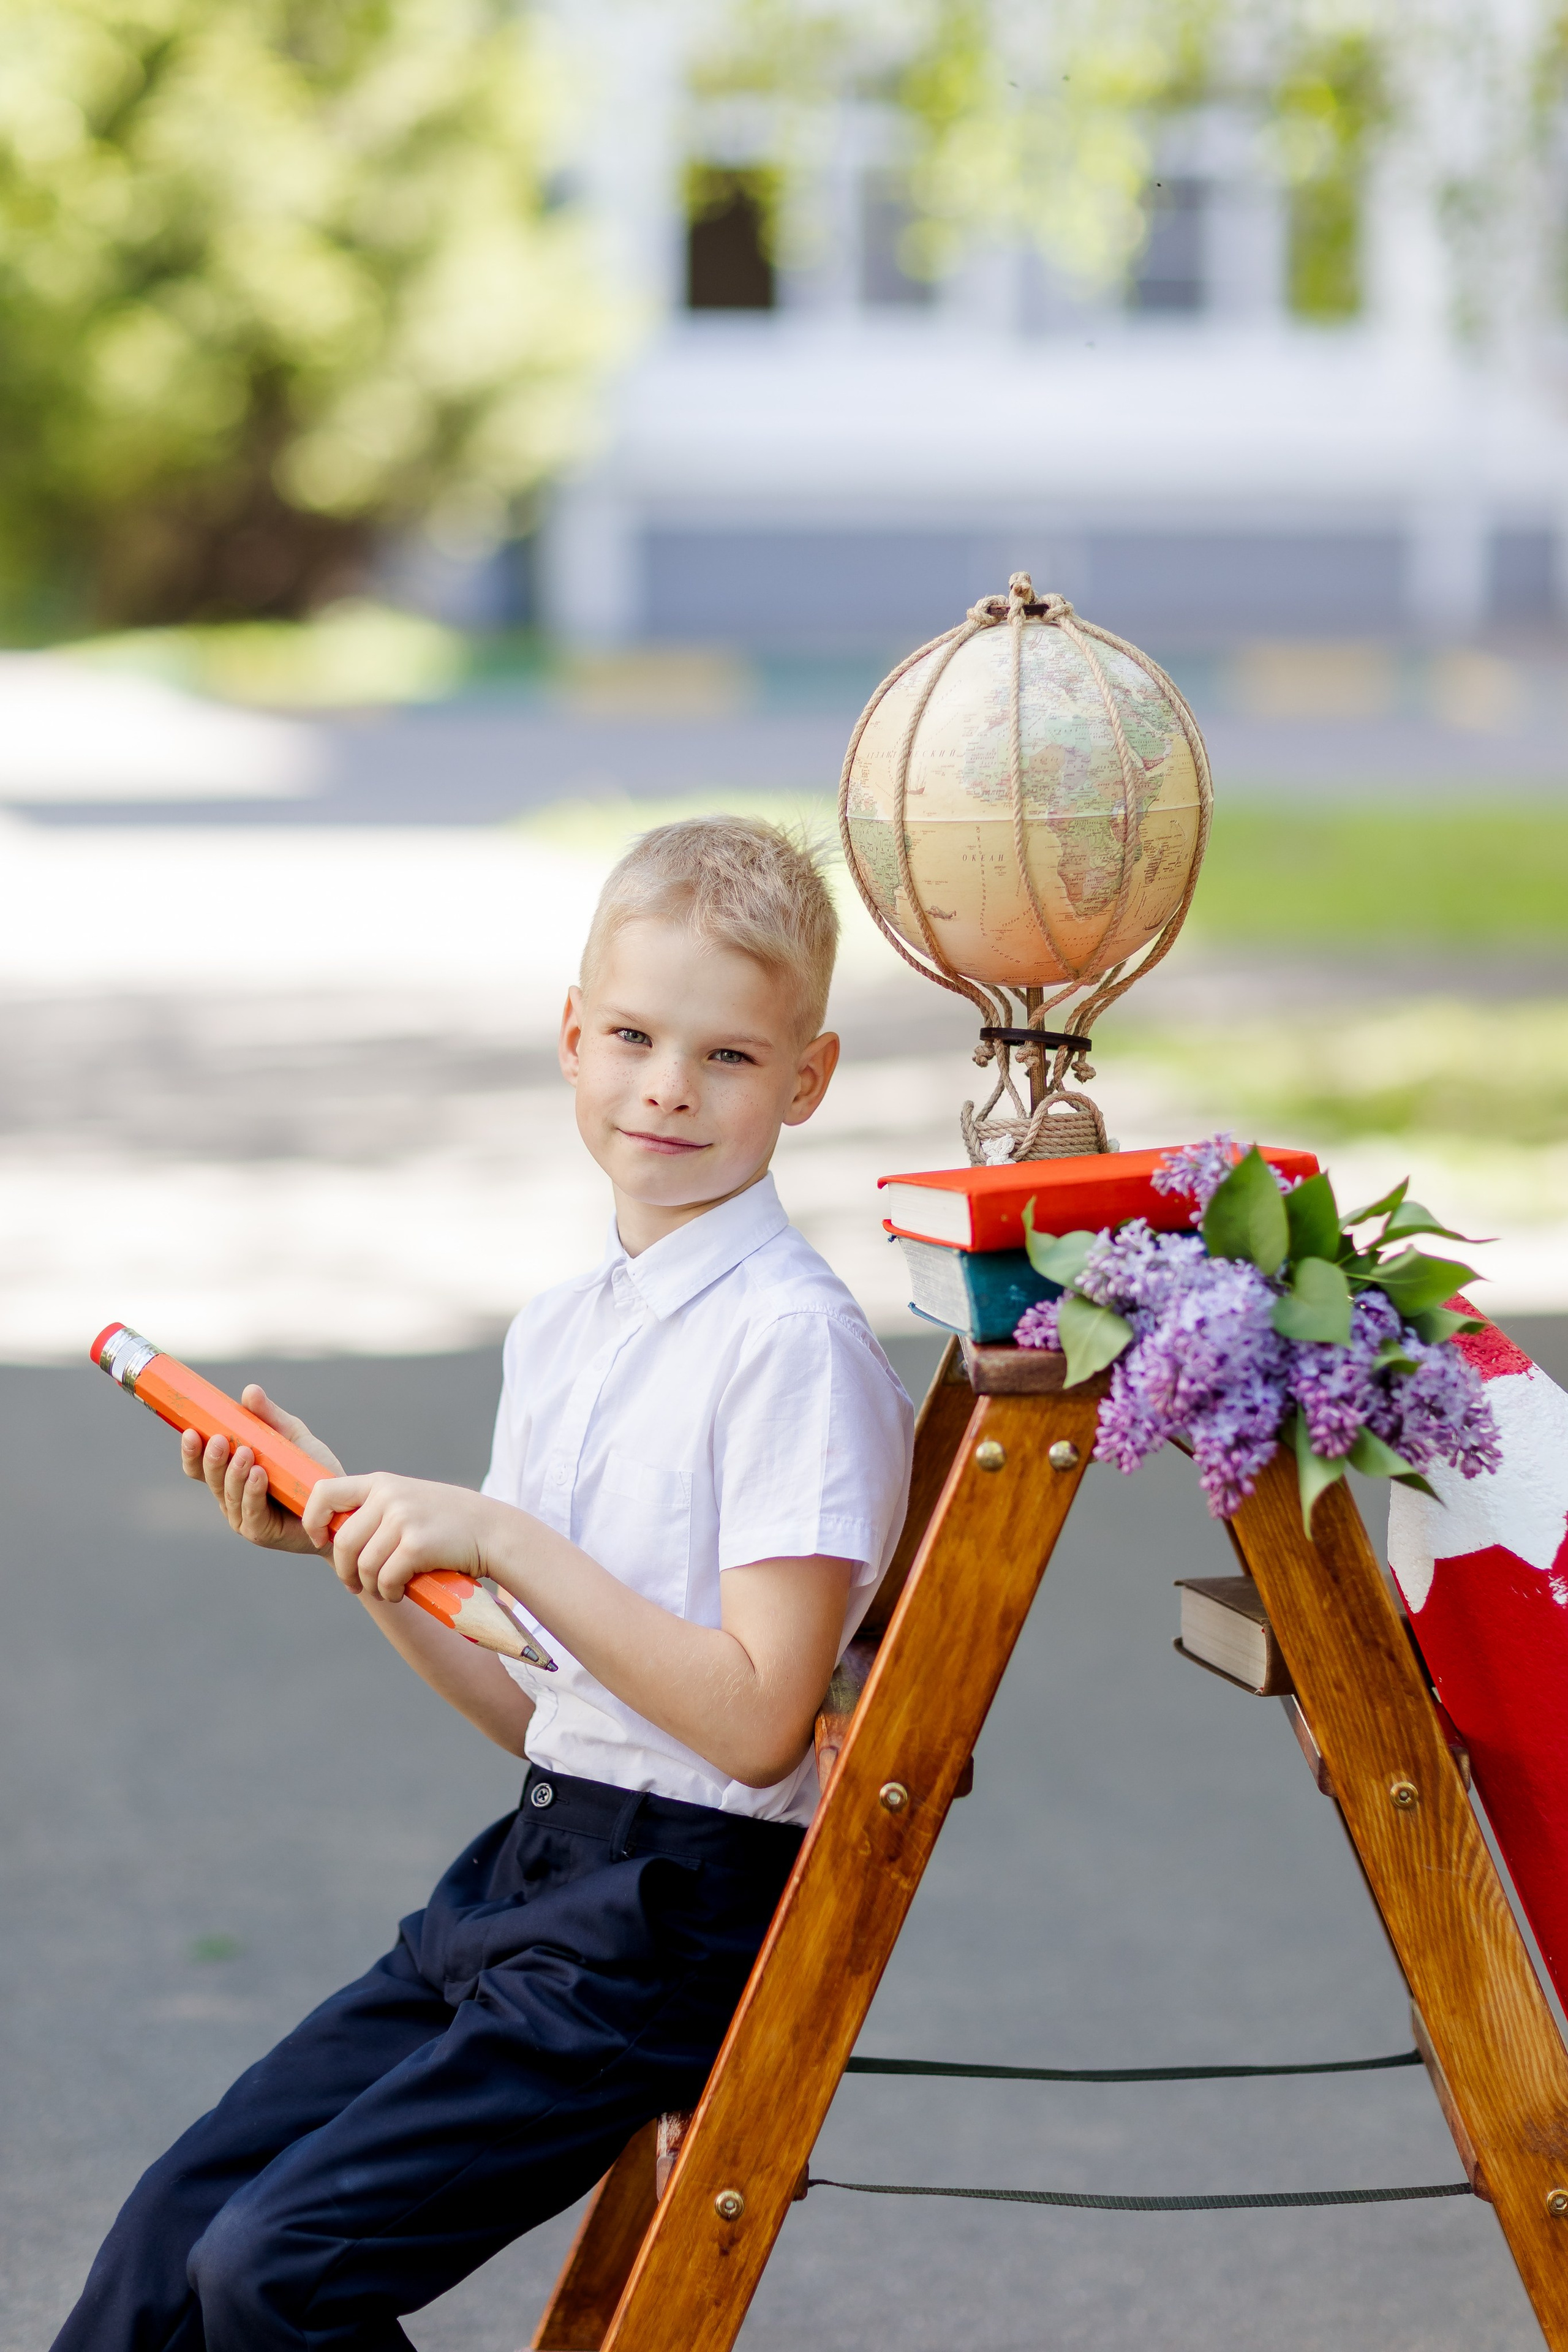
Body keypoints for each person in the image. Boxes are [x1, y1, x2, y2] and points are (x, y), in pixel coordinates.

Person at [54, 816, 914, 2352]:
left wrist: (501, 1539)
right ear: (572, 1041)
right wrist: (362, 1553)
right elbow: (543, 1712)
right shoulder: (565, 1325)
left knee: (276, 2271)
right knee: (173, 2232)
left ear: (807, 1080)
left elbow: (757, 1724)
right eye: (637, 1037)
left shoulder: (787, 1342)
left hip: (665, 1922)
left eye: (726, 1056)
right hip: (527, 1876)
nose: (668, 1085)